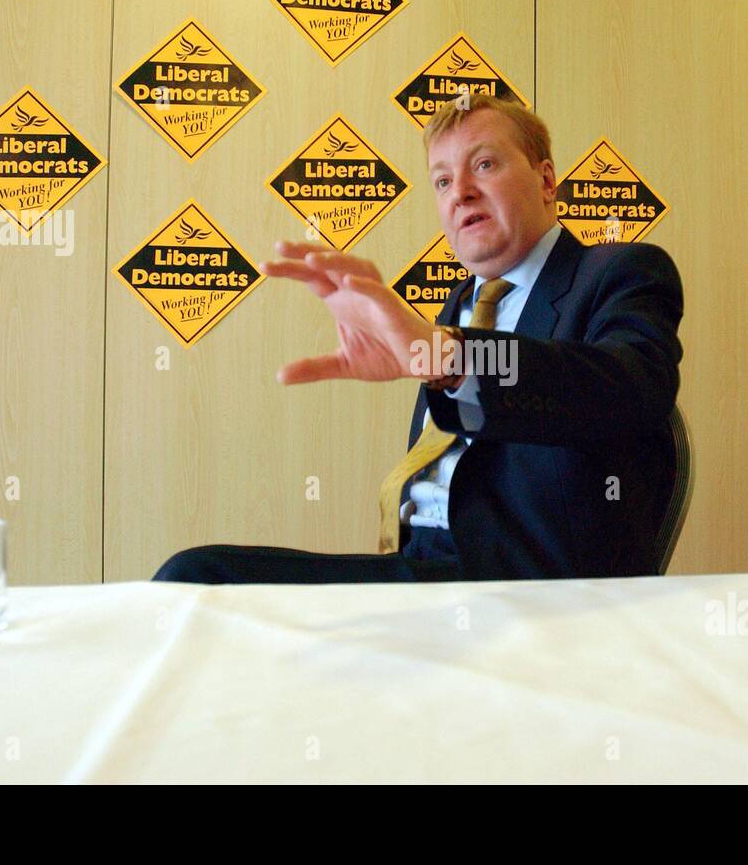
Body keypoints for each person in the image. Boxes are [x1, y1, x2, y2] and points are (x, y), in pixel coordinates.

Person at [153, 94, 683, 584]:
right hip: (420, 570)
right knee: (196, 586)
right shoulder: (459, 304)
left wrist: (448, 356)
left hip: (528, 584)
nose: (462, 193)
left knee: (198, 579)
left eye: (484, 165)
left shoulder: (621, 272)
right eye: (442, 181)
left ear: (547, 181)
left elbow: (632, 388)